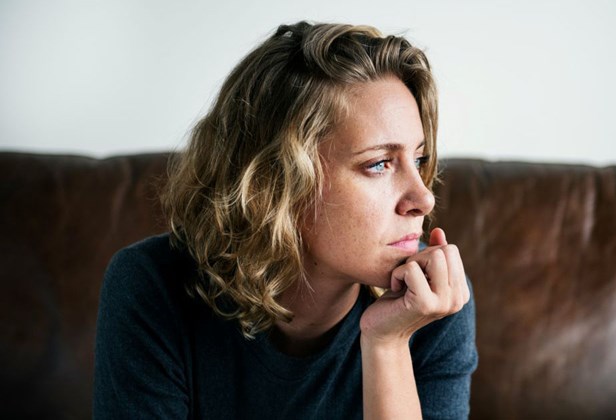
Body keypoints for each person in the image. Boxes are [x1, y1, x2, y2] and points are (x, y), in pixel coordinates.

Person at [93, 21, 477, 419]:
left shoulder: (434, 302)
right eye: (379, 164)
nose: (423, 197)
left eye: (418, 159)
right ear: (276, 181)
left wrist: (387, 343)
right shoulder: (152, 285)